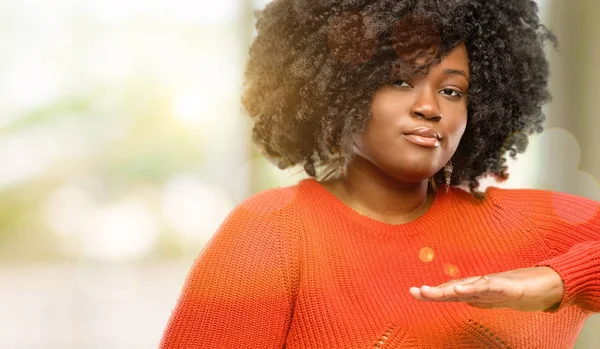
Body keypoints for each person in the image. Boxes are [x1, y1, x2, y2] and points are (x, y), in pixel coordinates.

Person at [159, 0, 600, 347]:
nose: (430, 108)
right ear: (337, 89)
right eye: (400, 80)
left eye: (451, 90)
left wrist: (560, 281)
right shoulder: (270, 234)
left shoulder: (533, 226)